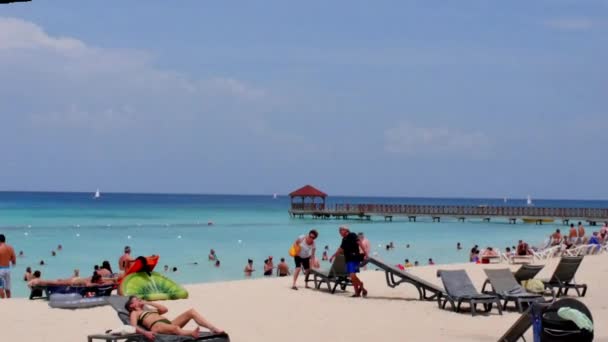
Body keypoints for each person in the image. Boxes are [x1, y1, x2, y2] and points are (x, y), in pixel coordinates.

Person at [124, 296, 224, 341]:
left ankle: (212, 328)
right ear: (132, 305)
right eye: (136, 299)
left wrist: (147, 303)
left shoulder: (148, 310)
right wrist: (146, 333)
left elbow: (164, 309)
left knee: (191, 312)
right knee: (175, 329)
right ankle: (191, 334)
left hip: (167, 323)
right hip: (156, 327)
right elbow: (133, 326)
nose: (139, 299)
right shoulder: (134, 312)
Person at [330, 226, 367, 297]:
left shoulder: (352, 235)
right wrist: (333, 256)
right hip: (348, 259)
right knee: (353, 276)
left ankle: (361, 286)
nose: (340, 232)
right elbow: (340, 249)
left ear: (346, 230)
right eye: (339, 231)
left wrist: (365, 252)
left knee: (352, 275)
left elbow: (359, 242)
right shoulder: (344, 239)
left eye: (341, 230)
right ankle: (357, 293)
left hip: (355, 257)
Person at [0, 234, 17, 299]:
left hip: (0, 270)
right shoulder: (10, 248)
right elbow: (14, 260)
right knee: (8, 288)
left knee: (0, 287)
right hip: (7, 269)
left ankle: (3, 301)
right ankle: (9, 301)